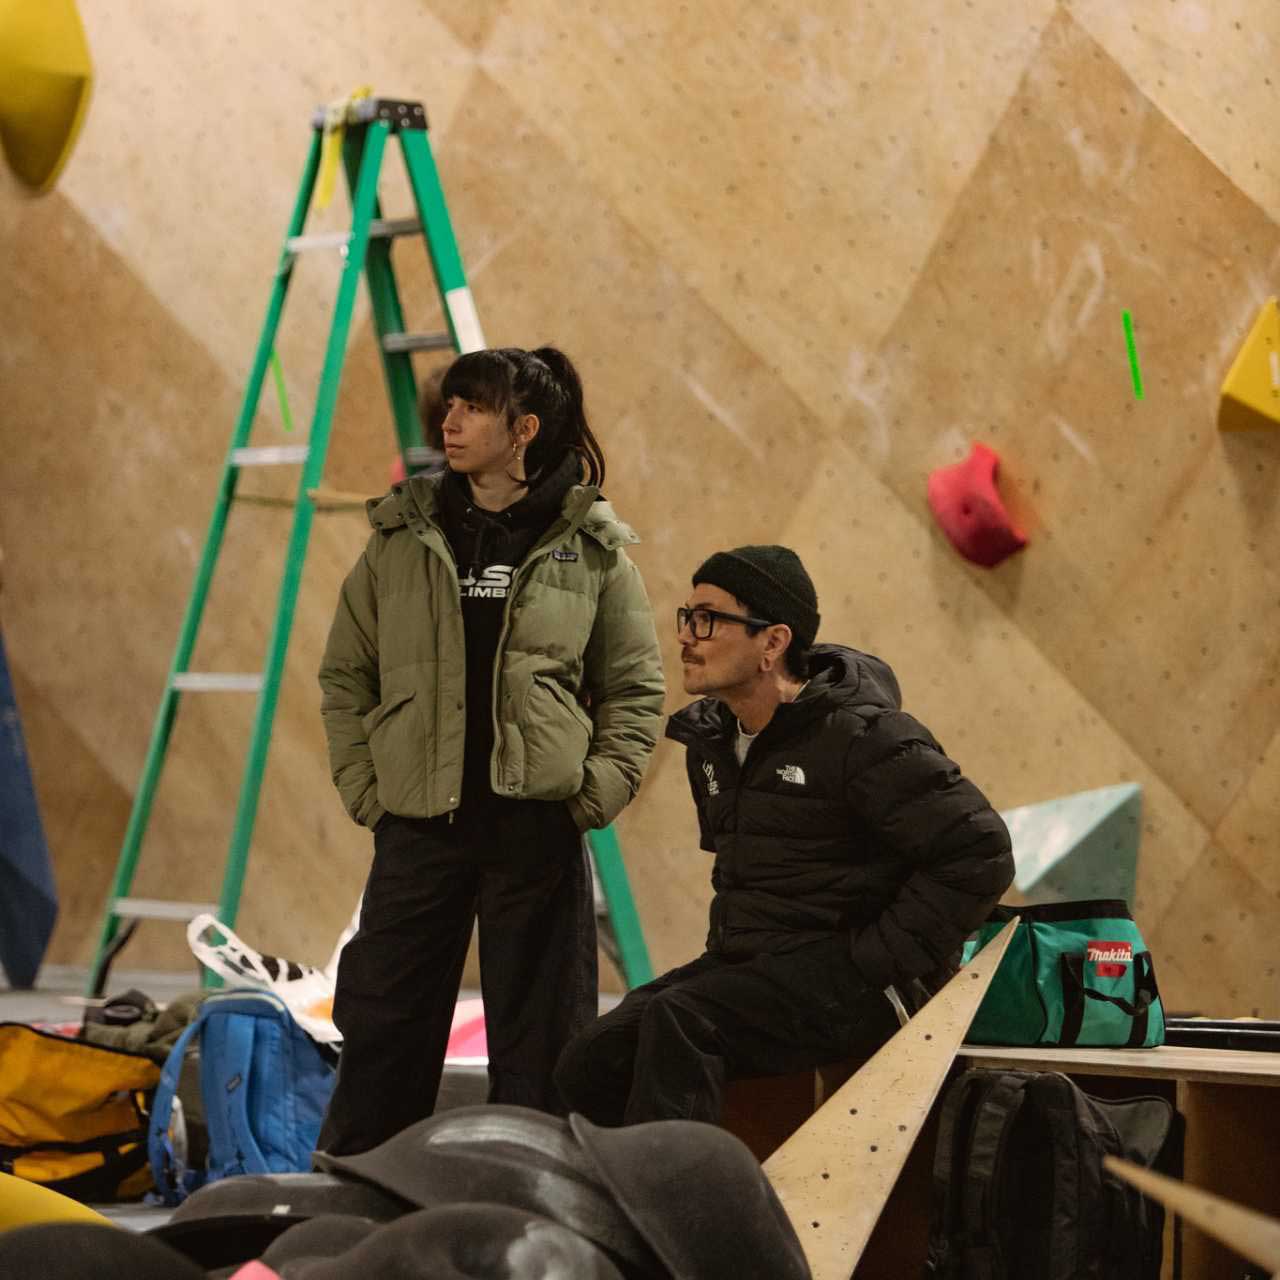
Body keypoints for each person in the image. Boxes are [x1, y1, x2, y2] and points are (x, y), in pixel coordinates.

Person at [317, 346, 665, 1155]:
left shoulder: (590, 546)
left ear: (524, 431)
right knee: (383, 1036)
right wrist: (369, 793)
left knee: (543, 1052)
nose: (450, 421)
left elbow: (634, 689)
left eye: (473, 407)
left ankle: (531, 1204)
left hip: (536, 832)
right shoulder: (400, 534)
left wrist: (588, 798)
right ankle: (361, 1198)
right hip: (417, 830)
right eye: (451, 405)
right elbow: (345, 675)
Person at [554, 544, 1014, 1126]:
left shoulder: (864, 736)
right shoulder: (711, 742)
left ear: (772, 642)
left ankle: (682, 1187)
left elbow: (981, 852)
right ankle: (636, 1181)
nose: (687, 637)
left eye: (708, 619)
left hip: (860, 985)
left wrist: (873, 960)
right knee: (590, 1058)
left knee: (684, 1020)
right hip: (753, 968)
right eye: (687, 616)